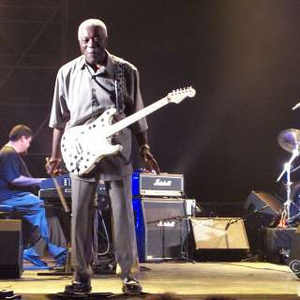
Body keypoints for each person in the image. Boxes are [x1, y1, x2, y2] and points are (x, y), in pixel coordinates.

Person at [46, 18, 160, 294]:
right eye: (86, 40)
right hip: (80, 151)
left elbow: (136, 115)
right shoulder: (67, 73)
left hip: (116, 151)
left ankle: (129, 277)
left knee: (122, 216)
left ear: (105, 40)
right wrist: (55, 157)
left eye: (96, 39)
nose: (91, 44)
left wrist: (144, 147)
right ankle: (81, 277)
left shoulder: (126, 71)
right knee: (80, 216)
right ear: (79, 42)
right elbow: (59, 120)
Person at [0, 124, 67, 268]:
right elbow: (14, 179)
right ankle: (61, 254)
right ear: (23, 138)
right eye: (29, 141)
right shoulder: (8, 153)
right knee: (43, 207)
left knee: (44, 212)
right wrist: (40, 181)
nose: (28, 146)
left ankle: (33, 253)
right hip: (8, 196)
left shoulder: (9, 153)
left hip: (13, 195)